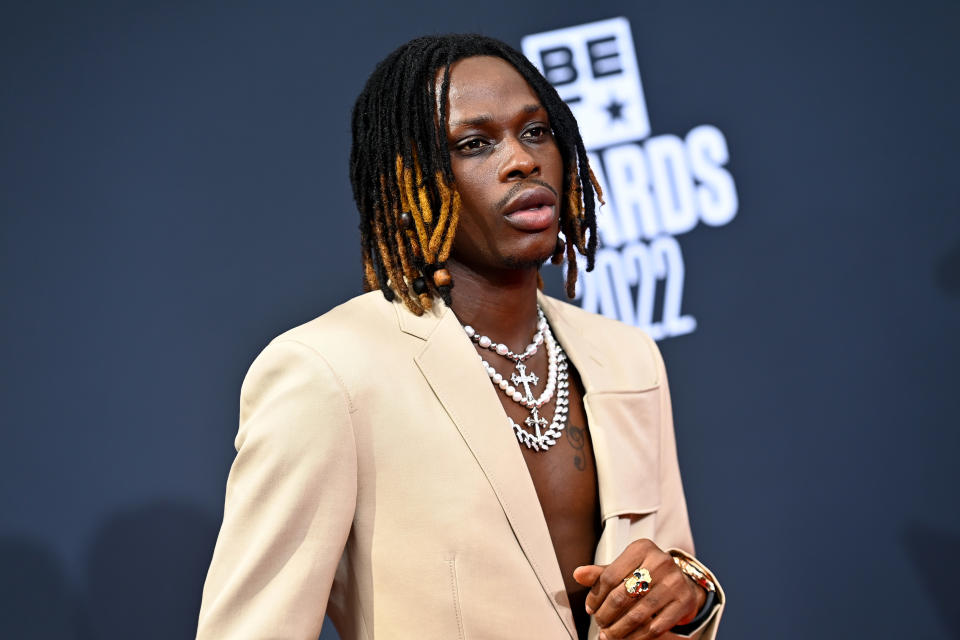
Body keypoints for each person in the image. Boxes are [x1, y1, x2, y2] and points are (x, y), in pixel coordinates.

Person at [197, 34, 724, 640]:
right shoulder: (328, 372)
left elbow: (668, 574)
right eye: (474, 144)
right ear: (405, 185)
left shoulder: (628, 359)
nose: (523, 160)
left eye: (536, 131)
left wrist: (688, 596)